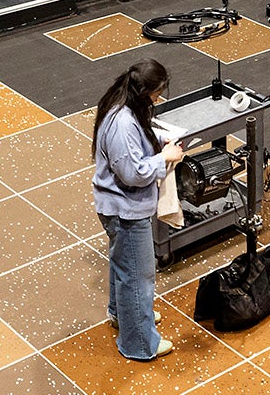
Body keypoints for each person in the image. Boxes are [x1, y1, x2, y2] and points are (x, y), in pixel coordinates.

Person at [92, 59, 185, 361]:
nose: (159, 98)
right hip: (126, 211)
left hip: (121, 207)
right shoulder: (121, 123)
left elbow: (137, 143)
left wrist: (160, 141)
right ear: (144, 91)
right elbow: (133, 173)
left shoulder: (124, 106)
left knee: (123, 266)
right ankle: (139, 342)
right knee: (138, 276)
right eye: (157, 93)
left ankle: (123, 314)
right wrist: (164, 158)